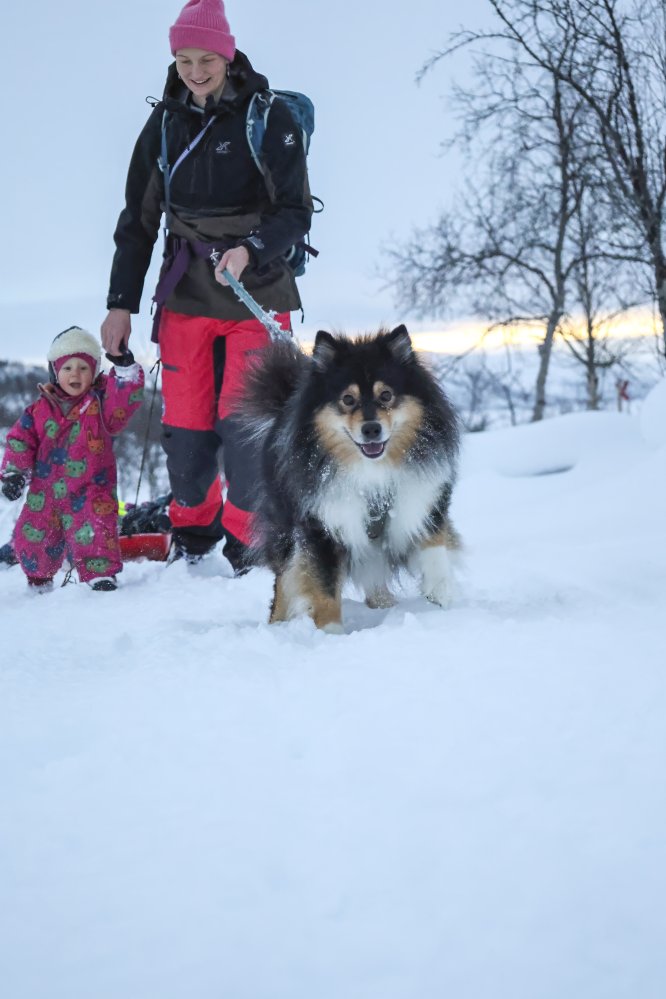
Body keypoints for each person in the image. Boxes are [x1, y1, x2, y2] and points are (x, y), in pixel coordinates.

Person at [101, 0, 313, 572]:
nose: (195, 72)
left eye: (206, 60)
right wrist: (120, 304)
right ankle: (193, 540)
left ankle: (252, 546)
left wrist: (251, 250)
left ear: (228, 54)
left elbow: (295, 213)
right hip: (187, 289)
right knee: (187, 424)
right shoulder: (164, 123)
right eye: (184, 60)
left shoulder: (270, 120)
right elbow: (138, 221)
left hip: (258, 290)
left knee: (248, 422)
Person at [0, 327, 144, 592]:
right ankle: (39, 579)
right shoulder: (38, 410)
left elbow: (123, 402)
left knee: (96, 531)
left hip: (91, 487)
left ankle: (100, 577)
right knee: (33, 536)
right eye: (67, 368)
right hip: (44, 490)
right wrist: (14, 473)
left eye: (83, 368)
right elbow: (20, 441)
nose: (75, 374)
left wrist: (124, 371)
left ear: (94, 373)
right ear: (55, 372)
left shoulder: (102, 405)